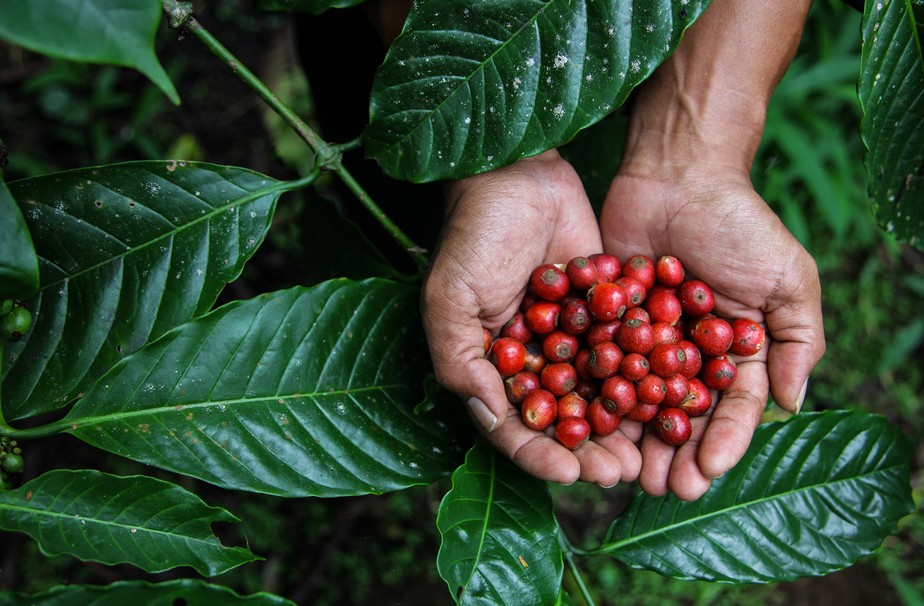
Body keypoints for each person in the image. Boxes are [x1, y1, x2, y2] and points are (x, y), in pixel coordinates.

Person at [415, 0, 826, 502]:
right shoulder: (613, 334)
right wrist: (489, 162)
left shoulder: (633, 338)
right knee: (418, 208)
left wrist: (700, 154)